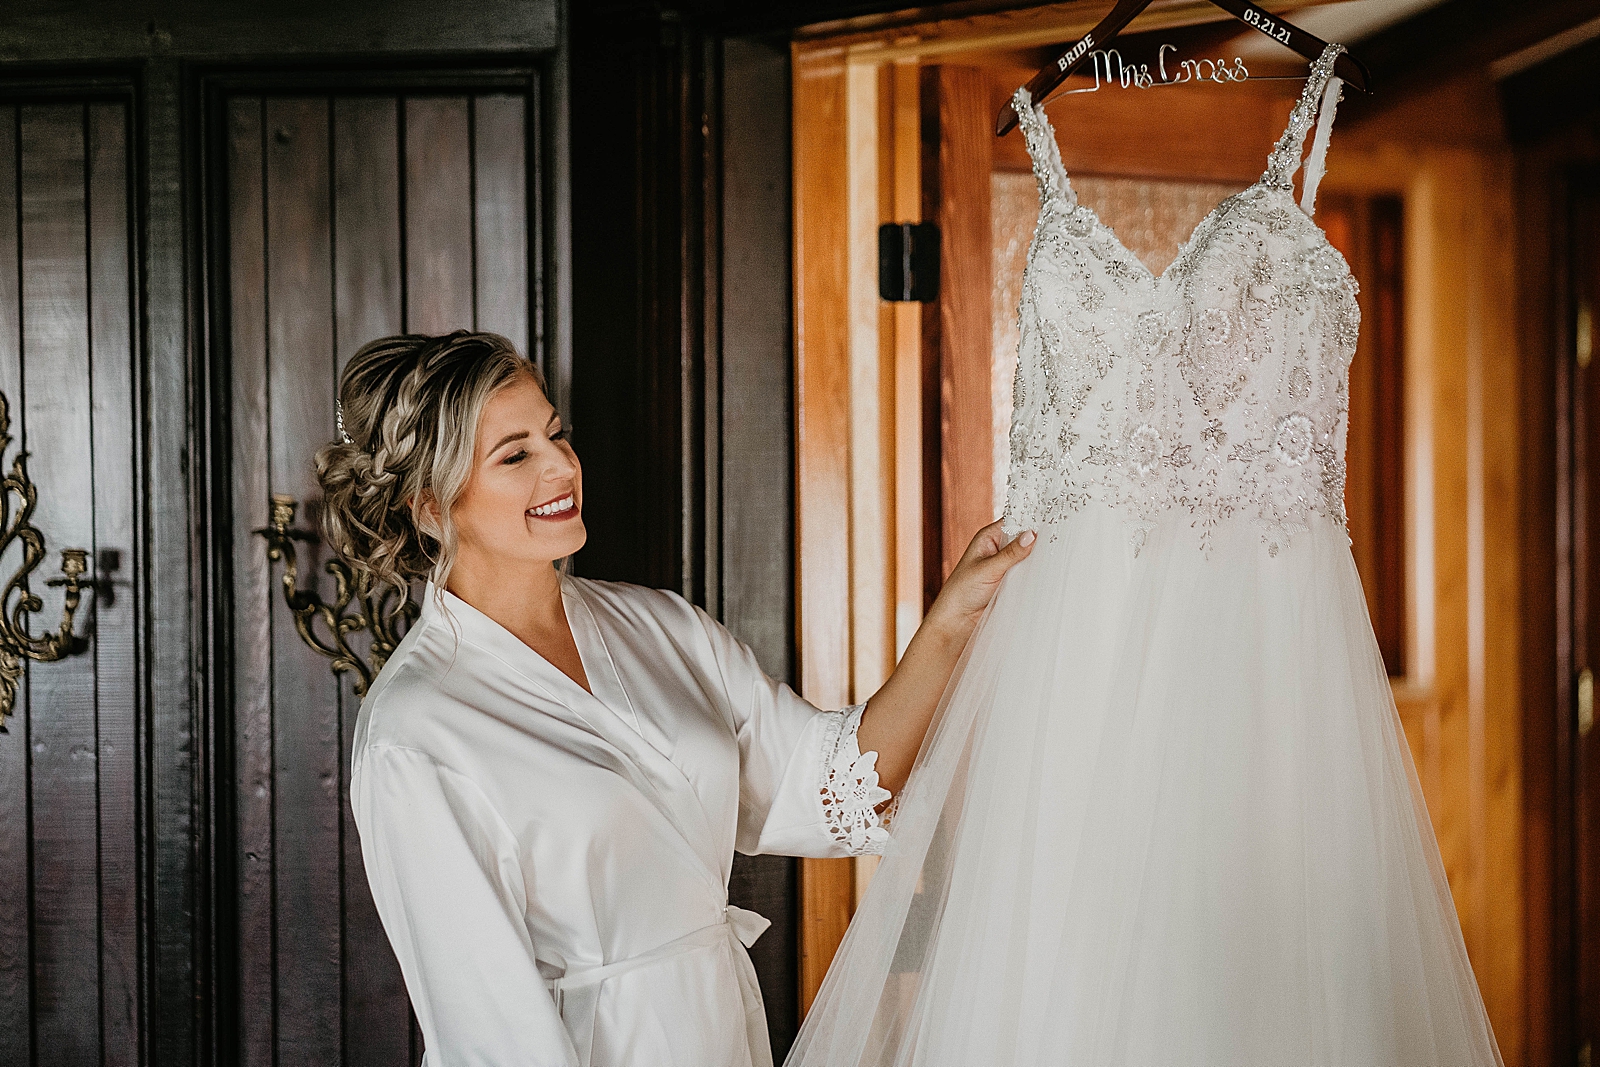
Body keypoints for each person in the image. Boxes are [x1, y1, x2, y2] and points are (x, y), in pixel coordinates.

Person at [313, 330, 1034, 1067]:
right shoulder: (416, 731)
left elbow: (830, 782)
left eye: (556, 434)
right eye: (515, 455)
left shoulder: (658, 625)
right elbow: (488, 1030)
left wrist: (951, 621)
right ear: (429, 506)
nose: (562, 465)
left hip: (722, 1032)